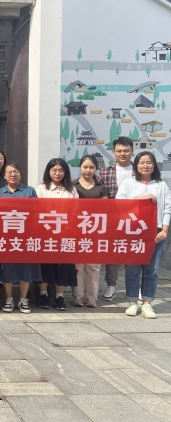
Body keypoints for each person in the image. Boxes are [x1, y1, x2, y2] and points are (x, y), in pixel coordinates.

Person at [117, 151, 171, 319]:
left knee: (152, 269)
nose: (145, 166)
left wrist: (164, 230)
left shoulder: (161, 185)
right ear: (136, 165)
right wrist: (144, 198)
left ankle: (147, 302)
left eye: (149, 162)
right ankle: (133, 301)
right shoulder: (128, 183)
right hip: (133, 232)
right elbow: (120, 204)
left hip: (155, 232)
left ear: (154, 165)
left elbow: (167, 208)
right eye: (142, 162)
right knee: (132, 268)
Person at [0, 163, 41, 314]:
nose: (12, 174)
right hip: (7, 237)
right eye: (9, 172)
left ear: (20, 174)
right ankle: (9, 299)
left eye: (15, 171)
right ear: (4, 176)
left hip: (26, 236)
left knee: (25, 268)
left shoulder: (29, 191)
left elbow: (37, 212)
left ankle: (23, 299)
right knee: (7, 269)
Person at [36, 158, 78, 311]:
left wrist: (68, 226)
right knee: (45, 264)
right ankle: (43, 295)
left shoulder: (71, 189)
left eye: (61, 170)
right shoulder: (41, 189)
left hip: (65, 232)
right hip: (45, 232)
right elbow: (37, 210)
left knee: (64, 265)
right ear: (48, 172)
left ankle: (60, 297)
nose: (57, 173)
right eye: (54, 170)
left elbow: (75, 210)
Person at [97, 136, 134, 301]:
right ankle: (111, 287)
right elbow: (95, 191)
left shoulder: (139, 171)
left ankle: (135, 289)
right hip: (112, 219)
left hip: (136, 219)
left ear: (132, 151)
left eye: (126, 150)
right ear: (113, 152)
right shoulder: (105, 172)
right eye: (119, 151)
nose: (122, 153)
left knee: (134, 252)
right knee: (113, 253)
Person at [73, 155, 107, 308]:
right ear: (80, 167)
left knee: (94, 267)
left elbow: (106, 210)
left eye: (92, 167)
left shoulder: (101, 187)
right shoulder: (73, 186)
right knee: (78, 266)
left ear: (96, 169)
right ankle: (78, 296)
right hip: (77, 230)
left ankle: (92, 298)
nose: (88, 170)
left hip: (95, 230)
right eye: (85, 167)